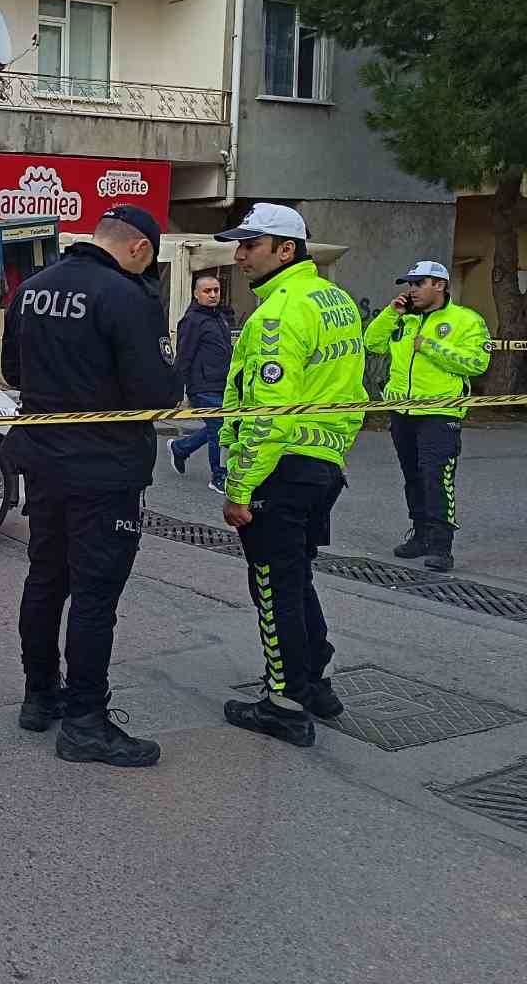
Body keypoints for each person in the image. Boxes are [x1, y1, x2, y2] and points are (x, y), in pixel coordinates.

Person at [2, 205, 182, 768]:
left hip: (43, 461)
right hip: (104, 469)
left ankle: (39, 695)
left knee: (46, 577)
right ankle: (85, 722)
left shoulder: (31, 289)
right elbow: (156, 393)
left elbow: (11, 371)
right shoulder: (129, 298)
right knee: (95, 595)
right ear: (138, 249)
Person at [214, 204, 366, 748]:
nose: (239, 255)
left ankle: (283, 703)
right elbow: (353, 392)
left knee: (274, 587)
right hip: (322, 465)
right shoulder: (336, 300)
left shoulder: (278, 313)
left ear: (286, 250)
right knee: (297, 577)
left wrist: (239, 488)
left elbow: (268, 413)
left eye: (250, 245)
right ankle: (314, 681)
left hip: (280, 468)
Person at [363, 260, 490, 572]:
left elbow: (477, 363)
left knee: (436, 477)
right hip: (402, 412)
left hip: (439, 413)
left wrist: (430, 346)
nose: (412, 290)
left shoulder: (466, 320)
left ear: (439, 285)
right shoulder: (404, 319)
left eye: (418, 283)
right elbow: (372, 343)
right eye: (409, 284)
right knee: (414, 477)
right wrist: (391, 313)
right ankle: (419, 534)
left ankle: (441, 544)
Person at [169, 274, 234, 492]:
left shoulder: (220, 317)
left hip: (223, 384)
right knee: (219, 427)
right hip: (203, 386)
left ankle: (181, 447)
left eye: (216, 290)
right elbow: (183, 356)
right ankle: (218, 476)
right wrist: (180, 391)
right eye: (207, 291)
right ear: (196, 294)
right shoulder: (192, 321)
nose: (213, 295)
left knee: (220, 426)